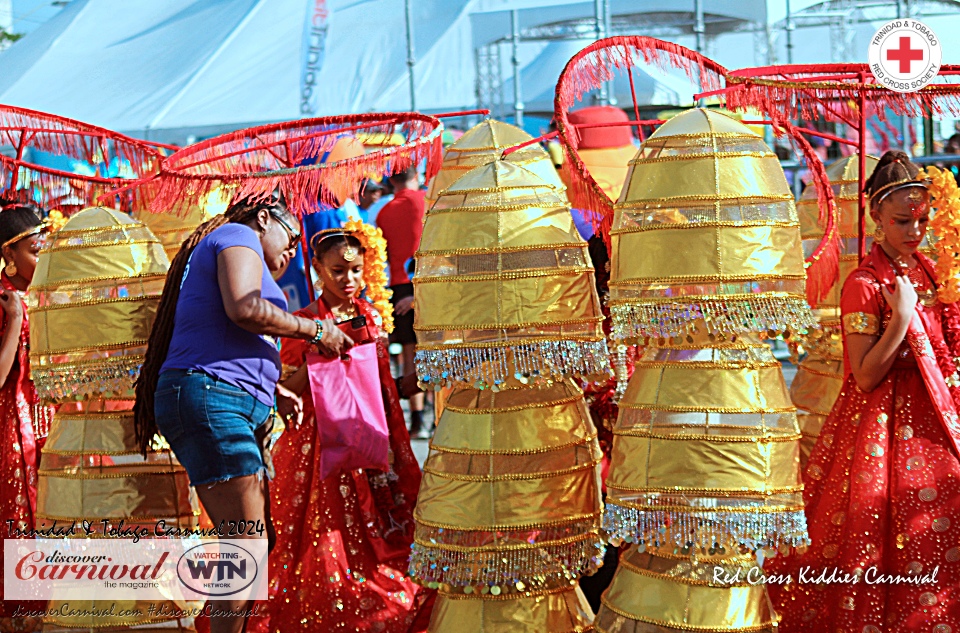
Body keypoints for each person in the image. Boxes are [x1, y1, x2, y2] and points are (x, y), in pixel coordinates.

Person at [134, 193, 351, 633]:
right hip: (215, 399)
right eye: (290, 239)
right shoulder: (236, 234)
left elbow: (221, 330)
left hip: (221, 399)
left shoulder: (230, 246)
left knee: (248, 541)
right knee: (245, 543)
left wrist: (270, 391)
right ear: (264, 218)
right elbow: (245, 309)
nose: (292, 253)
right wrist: (316, 329)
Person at [768, 151, 960, 629]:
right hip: (885, 428)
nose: (915, 231)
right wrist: (901, 318)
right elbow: (866, 374)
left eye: (922, 218)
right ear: (875, 216)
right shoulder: (863, 282)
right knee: (885, 539)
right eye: (902, 221)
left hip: (937, 420)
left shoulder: (930, 272)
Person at [250, 228, 430, 633]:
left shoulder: (372, 315)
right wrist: (319, 348)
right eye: (336, 272)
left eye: (354, 270)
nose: (347, 280)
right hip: (319, 442)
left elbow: (383, 385)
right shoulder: (303, 322)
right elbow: (286, 391)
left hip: (371, 434)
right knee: (320, 529)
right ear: (316, 270)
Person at [0, 200, 53, 633]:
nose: (44, 258)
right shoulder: (4, 300)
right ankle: (21, 612)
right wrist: (16, 318)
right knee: (18, 514)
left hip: (48, 417)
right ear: (9, 256)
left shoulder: (50, 294)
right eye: (36, 250)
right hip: (10, 422)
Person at [375, 167, 427, 437]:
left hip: (397, 286)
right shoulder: (428, 202)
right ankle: (436, 413)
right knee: (438, 348)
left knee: (409, 352)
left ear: (391, 181)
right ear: (415, 176)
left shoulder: (383, 212)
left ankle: (417, 419)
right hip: (430, 281)